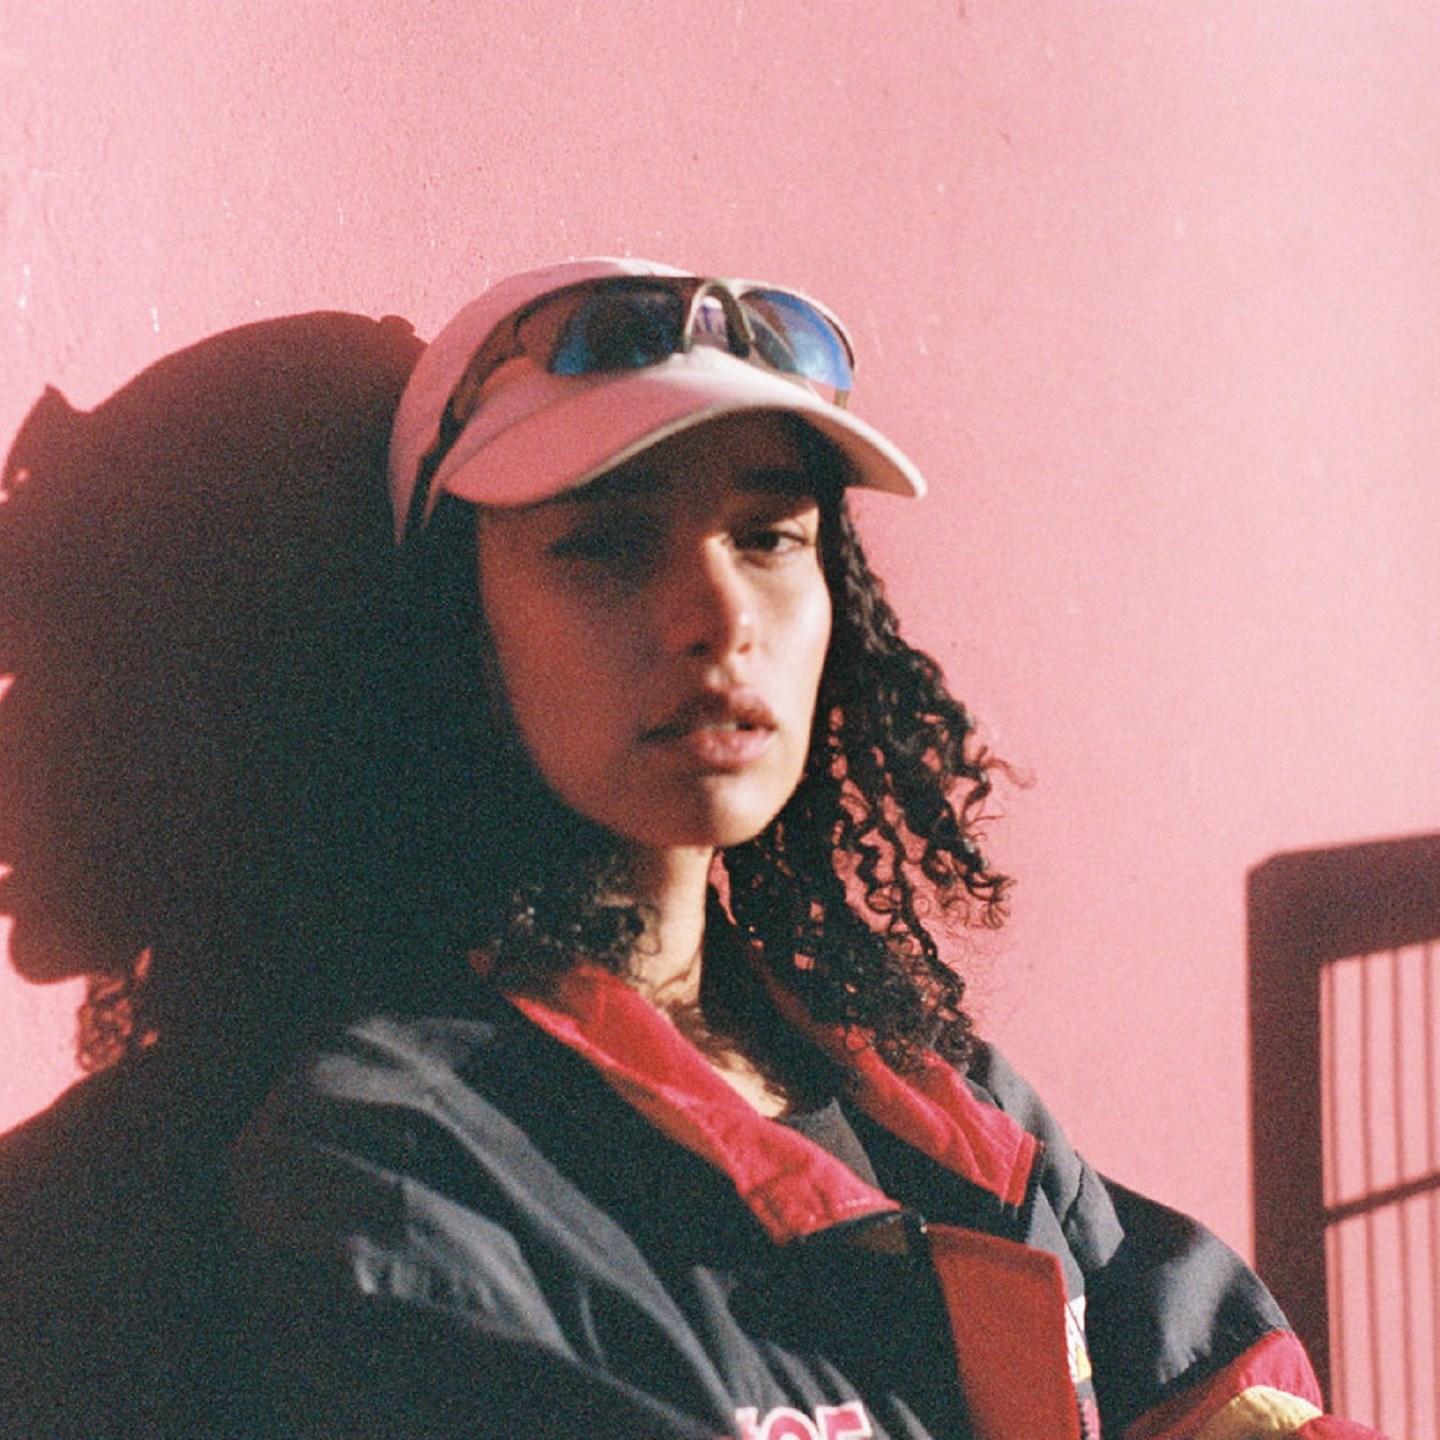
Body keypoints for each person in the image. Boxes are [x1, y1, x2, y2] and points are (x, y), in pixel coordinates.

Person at [222, 259, 1379, 1440]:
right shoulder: (396, 1168)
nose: (721, 617)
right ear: (457, 627)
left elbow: (1223, 1385)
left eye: (770, 535)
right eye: (607, 544)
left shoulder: (945, 1096)